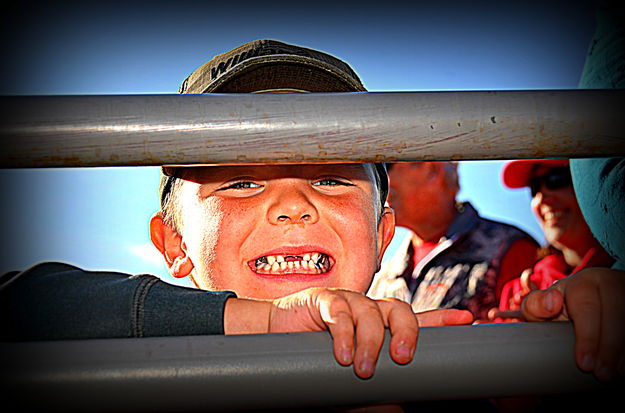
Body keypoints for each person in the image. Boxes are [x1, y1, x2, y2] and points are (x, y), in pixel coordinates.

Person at [0, 39, 622, 387]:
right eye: (241, 179)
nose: (293, 204)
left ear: (383, 234)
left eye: (329, 175)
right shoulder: (127, 376)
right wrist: (262, 326)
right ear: (173, 242)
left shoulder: (444, 374)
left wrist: (575, 331)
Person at [367, 161, 540, 320]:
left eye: (385, 166)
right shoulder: (382, 272)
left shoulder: (512, 248)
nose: (377, 180)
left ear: (432, 171)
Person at [491, 159, 614, 320]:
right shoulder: (516, 293)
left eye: (556, 179)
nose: (542, 199)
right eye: (534, 188)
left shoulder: (617, 276)